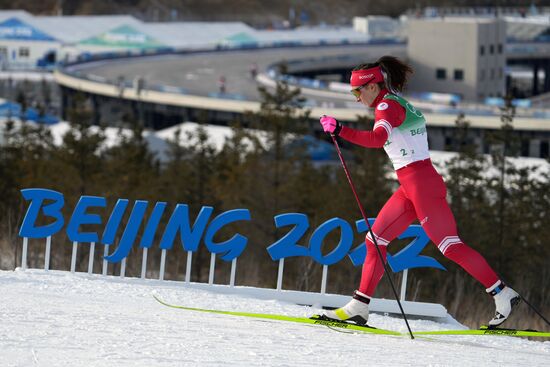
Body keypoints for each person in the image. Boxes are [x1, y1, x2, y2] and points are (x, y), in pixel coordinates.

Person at [318, 55, 520, 327]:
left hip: (422, 185)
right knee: (374, 241)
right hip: (412, 185)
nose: (356, 98)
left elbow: (378, 140)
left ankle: (501, 293)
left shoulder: (387, 107)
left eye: (357, 91)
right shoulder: (393, 101)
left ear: (372, 87)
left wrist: (341, 130)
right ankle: (359, 306)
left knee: (450, 246)